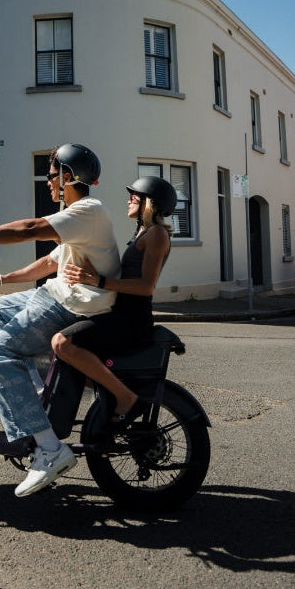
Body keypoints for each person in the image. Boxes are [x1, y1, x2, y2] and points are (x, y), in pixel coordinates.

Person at [0, 143, 120, 497]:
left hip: (76, 305)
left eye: (51, 176)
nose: (47, 183)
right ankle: (33, 396)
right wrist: (3, 281)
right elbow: (50, 263)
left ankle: (50, 449)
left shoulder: (87, 210)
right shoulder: (76, 218)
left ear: (68, 176)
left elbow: (27, 229)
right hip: (59, 294)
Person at [51, 176, 176, 431]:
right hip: (119, 313)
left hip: (130, 320)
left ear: (150, 202)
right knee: (70, 360)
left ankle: (126, 397)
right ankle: (114, 393)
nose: (129, 199)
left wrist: (97, 280)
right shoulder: (143, 232)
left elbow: (145, 286)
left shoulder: (157, 234)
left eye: (135, 195)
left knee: (63, 343)